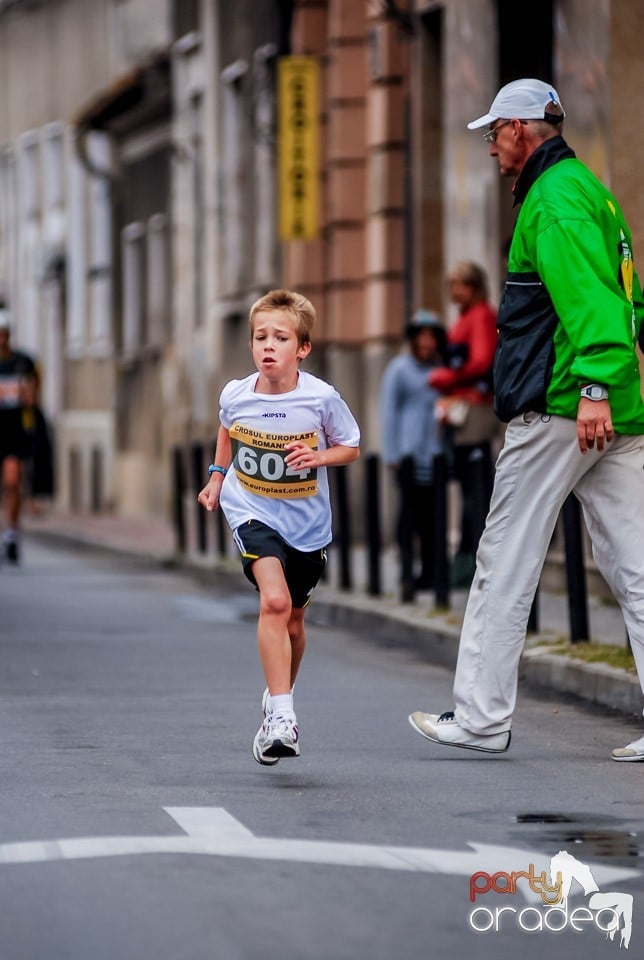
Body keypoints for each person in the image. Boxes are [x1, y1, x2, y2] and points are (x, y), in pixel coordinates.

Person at [408, 78, 644, 762]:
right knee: (635, 567)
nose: (490, 148)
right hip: (611, 407)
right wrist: (611, 385)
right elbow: (631, 301)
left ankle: (481, 719)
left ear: (519, 130)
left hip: (564, 408)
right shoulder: (591, 192)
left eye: (493, 134)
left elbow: (594, 306)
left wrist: (594, 384)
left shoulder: (554, 200)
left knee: (505, 558)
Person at [197, 289, 360, 765]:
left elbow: (350, 446)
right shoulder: (236, 393)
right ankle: (282, 718)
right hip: (251, 510)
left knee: (293, 621)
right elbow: (227, 428)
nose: (268, 346)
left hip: (307, 525)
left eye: (280, 337)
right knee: (274, 600)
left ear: (302, 348)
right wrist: (216, 478)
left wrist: (320, 455)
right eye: (260, 337)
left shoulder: (322, 398)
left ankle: (278, 693)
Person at [430, 262, 499, 587]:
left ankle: (473, 560)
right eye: (453, 284)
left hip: (475, 407)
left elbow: (482, 361)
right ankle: (466, 559)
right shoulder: (465, 317)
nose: (456, 292)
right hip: (461, 406)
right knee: (468, 485)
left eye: (461, 285)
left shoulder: (482, 315)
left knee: (477, 485)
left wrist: (447, 377)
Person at [380, 308, 446, 602]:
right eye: (422, 337)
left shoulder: (442, 369)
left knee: (434, 518)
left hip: (435, 455)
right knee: (409, 517)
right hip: (407, 455)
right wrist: (392, 452)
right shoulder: (399, 369)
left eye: (432, 337)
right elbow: (388, 411)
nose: (427, 343)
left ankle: (431, 575)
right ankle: (406, 572)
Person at [0, 302, 39, 564]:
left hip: (13, 430)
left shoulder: (23, 362)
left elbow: (34, 394)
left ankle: (12, 533)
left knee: (13, 481)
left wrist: (26, 395)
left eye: (5, 333)